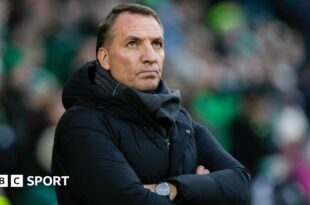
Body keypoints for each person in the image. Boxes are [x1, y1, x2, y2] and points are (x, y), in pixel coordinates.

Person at [52, 3, 250, 205]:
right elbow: (130, 201)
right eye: (133, 43)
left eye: (157, 44)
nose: (150, 57)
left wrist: (171, 189)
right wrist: (202, 192)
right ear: (105, 58)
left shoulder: (180, 120)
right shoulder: (80, 123)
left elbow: (241, 183)